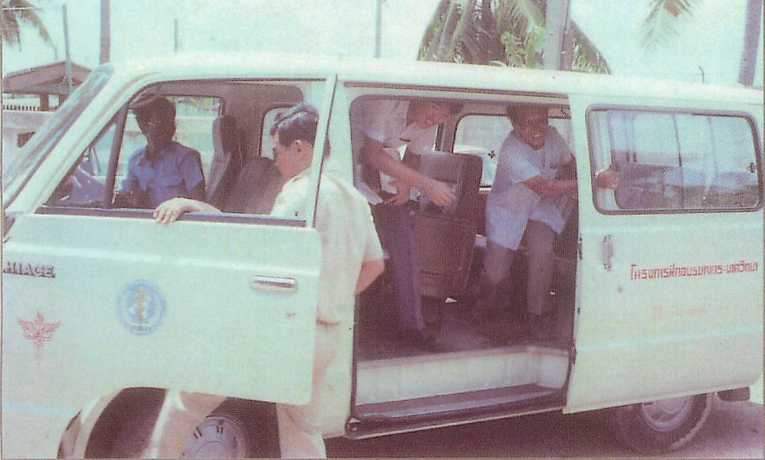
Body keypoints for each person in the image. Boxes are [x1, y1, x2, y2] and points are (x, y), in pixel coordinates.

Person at [144, 103, 385, 458]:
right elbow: (374, 265)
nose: (275, 160)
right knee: (302, 429)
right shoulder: (354, 197)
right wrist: (331, 297)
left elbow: (256, 246)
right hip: (325, 336)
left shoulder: (301, 192)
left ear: (300, 148)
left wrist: (192, 206)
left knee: (187, 399)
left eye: (278, 150)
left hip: (285, 332)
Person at [474, 104, 618, 340]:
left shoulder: (553, 136)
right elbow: (545, 188)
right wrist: (594, 182)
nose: (537, 128)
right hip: (508, 211)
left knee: (543, 253)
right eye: (529, 123)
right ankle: (483, 312)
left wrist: (583, 177)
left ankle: (535, 317)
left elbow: (569, 162)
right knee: (496, 271)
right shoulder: (511, 151)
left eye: (542, 120)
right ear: (516, 126)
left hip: (540, 209)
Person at [355, 98, 461, 350]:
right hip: (349, 178)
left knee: (405, 242)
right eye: (435, 108)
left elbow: (413, 157)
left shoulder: (428, 124)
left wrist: (405, 186)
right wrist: (427, 184)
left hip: (379, 187)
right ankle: (350, 321)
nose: (435, 119)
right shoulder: (384, 104)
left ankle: (412, 328)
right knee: (354, 247)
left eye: (443, 117)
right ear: (420, 97)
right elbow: (373, 154)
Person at [117, 96, 206, 208]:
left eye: (171, 121)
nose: (169, 128)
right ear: (143, 126)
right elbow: (125, 197)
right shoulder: (135, 160)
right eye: (160, 122)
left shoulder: (187, 158)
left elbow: (200, 206)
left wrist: (180, 206)